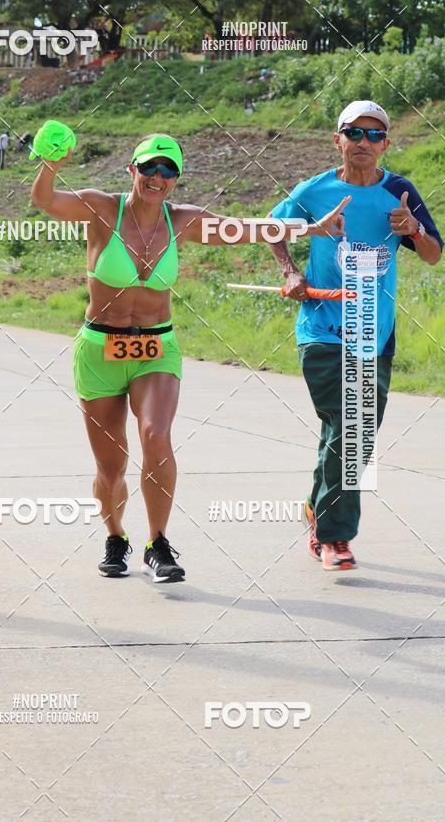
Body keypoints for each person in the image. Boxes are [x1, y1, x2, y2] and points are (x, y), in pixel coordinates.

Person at [31, 132, 349, 583]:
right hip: (100, 347)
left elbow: (245, 228)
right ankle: (116, 536)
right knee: (111, 465)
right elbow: (45, 200)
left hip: (155, 346)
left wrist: (310, 229)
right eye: (150, 168)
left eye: (168, 171)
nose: (158, 177)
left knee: (156, 435)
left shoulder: (183, 220)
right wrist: (50, 162)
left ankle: (157, 543)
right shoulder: (101, 208)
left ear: (176, 179)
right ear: (132, 170)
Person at [268, 100, 443, 571]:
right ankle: (335, 537)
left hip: (374, 332)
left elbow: (432, 255)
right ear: (337, 139)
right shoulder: (315, 190)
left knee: (351, 433)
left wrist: (414, 230)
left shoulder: (400, 192)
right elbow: (271, 228)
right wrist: (290, 272)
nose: (363, 142)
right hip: (321, 326)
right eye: (354, 133)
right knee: (351, 428)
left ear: (386, 143)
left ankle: (316, 505)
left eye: (374, 135)